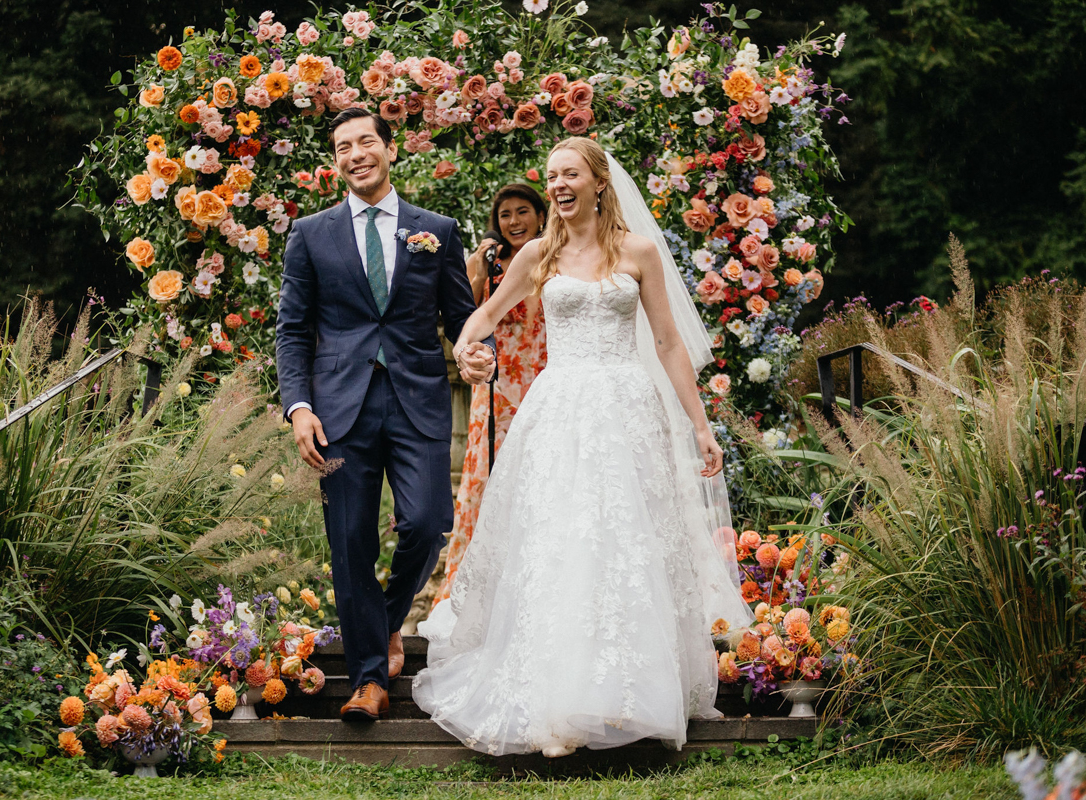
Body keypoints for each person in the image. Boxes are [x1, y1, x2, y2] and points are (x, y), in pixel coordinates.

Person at [412, 138, 753, 757]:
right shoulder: (538, 255)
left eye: (570, 175)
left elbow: (671, 345)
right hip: (560, 411)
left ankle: (630, 694)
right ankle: (557, 703)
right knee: (562, 545)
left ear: (599, 182)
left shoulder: (641, 253)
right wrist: (466, 350)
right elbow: (483, 315)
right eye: (551, 178)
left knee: (625, 545)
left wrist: (700, 425)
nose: (558, 186)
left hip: (628, 411)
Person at [276, 108, 495, 722]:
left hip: (416, 400)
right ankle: (369, 682)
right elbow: (292, 331)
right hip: (337, 410)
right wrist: (298, 407)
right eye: (342, 146)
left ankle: (386, 620)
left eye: (365, 141)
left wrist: (478, 355)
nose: (355, 154)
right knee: (349, 544)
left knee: (429, 522)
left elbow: (463, 318)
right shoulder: (310, 233)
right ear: (336, 160)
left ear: (389, 149)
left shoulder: (437, 230)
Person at [434, 184, 549, 607]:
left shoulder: (558, 256)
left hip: (545, 377)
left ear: (541, 215)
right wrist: (480, 269)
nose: (514, 222)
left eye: (523, 212)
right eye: (506, 215)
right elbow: (466, 317)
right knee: (492, 480)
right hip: (498, 385)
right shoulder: (487, 262)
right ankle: (479, 595)